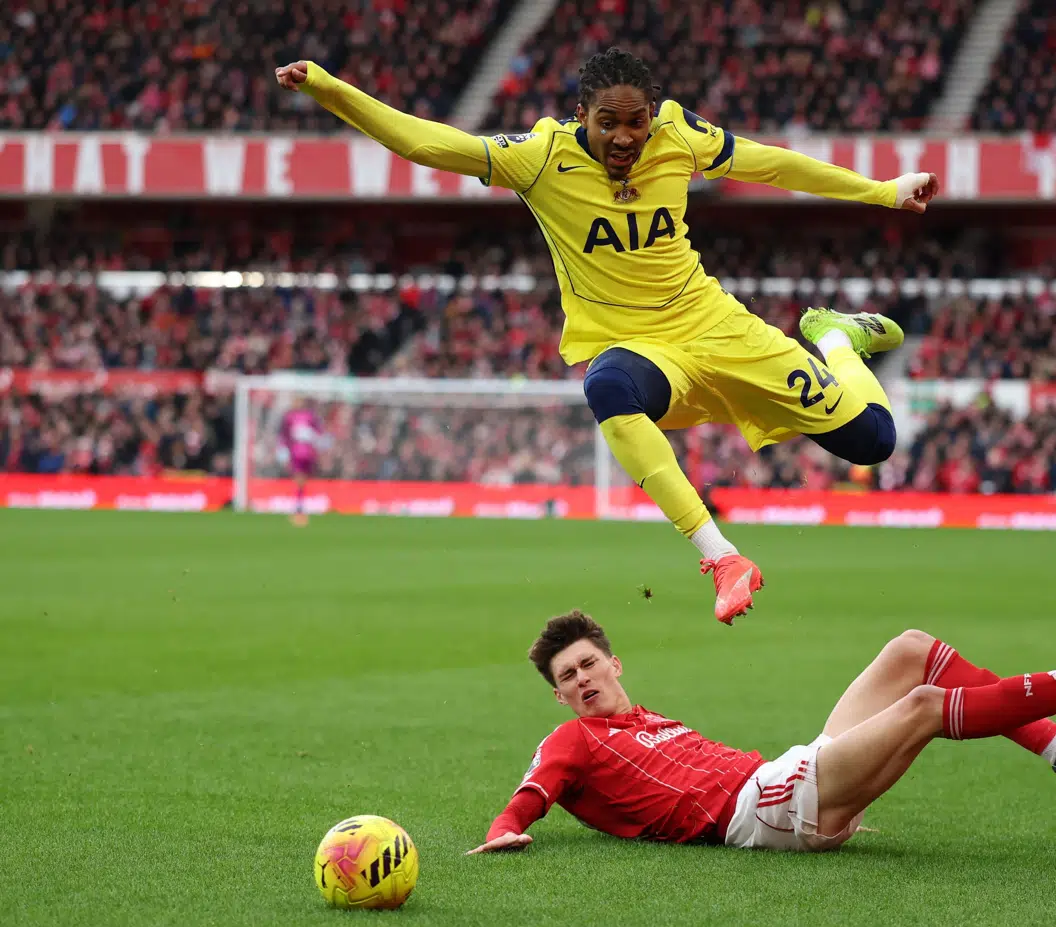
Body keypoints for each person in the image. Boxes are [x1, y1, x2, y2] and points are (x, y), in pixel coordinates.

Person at [275, 48, 940, 624]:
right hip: (640, 347)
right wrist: (327, 87)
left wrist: (882, 192)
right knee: (608, 384)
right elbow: (425, 143)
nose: (626, 137)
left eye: (637, 122)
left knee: (873, 441)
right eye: (610, 123)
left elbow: (770, 166)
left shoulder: (679, 135)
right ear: (581, 117)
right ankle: (723, 557)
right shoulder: (540, 159)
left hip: (716, 324)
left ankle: (836, 340)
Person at [466, 598, 1056, 855]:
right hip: (766, 808)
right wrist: (504, 828)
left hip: (783, 776)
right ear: (561, 697)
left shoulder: (651, 721)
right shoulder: (575, 738)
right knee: (925, 706)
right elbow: (534, 790)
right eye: (568, 677)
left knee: (910, 649)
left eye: (587, 663)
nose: (582, 679)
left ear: (615, 662)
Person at [278, 399, 325, 527]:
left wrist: (314, 440)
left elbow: (319, 432)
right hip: (298, 453)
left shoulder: (309, 416)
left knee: (303, 480)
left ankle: (300, 507)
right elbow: (284, 435)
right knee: (299, 479)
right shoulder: (291, 417)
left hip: (305, 453)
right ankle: (299, 508)